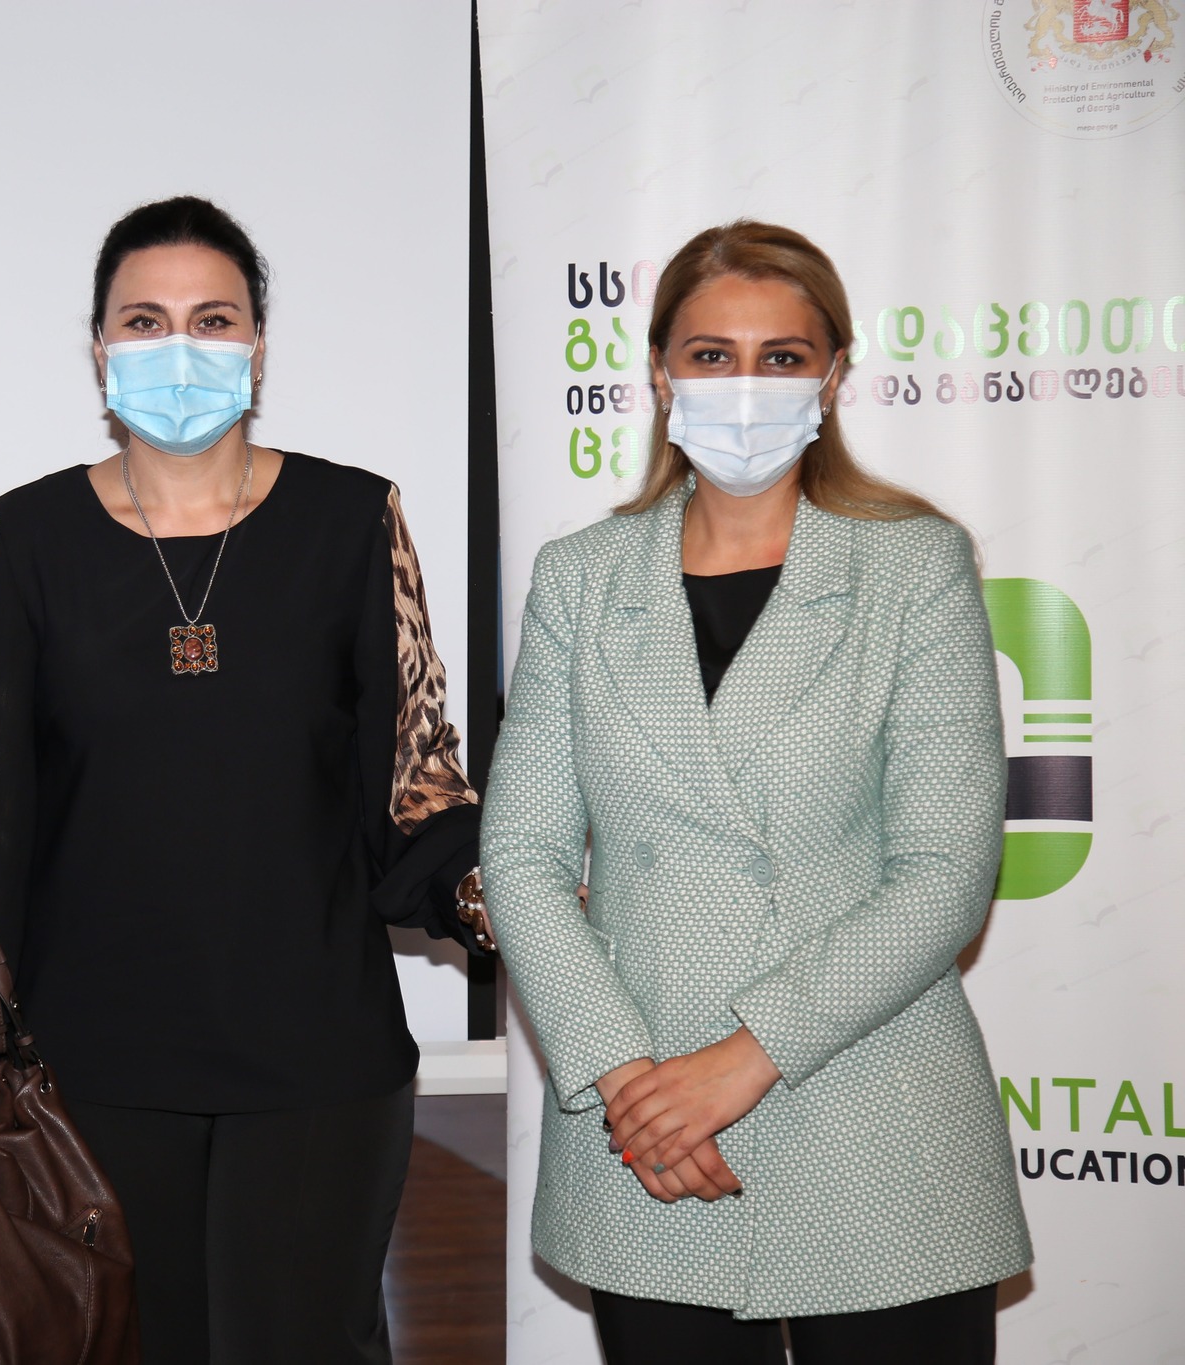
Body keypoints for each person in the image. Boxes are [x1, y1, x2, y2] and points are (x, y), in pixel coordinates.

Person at [0, 196, 491, 1365]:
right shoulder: (19, 538)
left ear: (257, 347)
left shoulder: (353, 518)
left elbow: (413, 789)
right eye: (143, 320)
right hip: (93, 1064)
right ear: (99, 349)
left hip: (317, 1058)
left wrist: (527, 901)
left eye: (211, 319)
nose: (177, 346)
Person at [482, 221, 1032, 1364]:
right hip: (648, 1137)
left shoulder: (912, 566)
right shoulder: (578, 580)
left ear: (831, 375)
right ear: (658, 374)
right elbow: (520, 857)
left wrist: (740, 1062)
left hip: (872, 1114)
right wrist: (631, 1083)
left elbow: (946, 873)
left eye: (780, 357)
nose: (745, 385)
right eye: (710, 354)